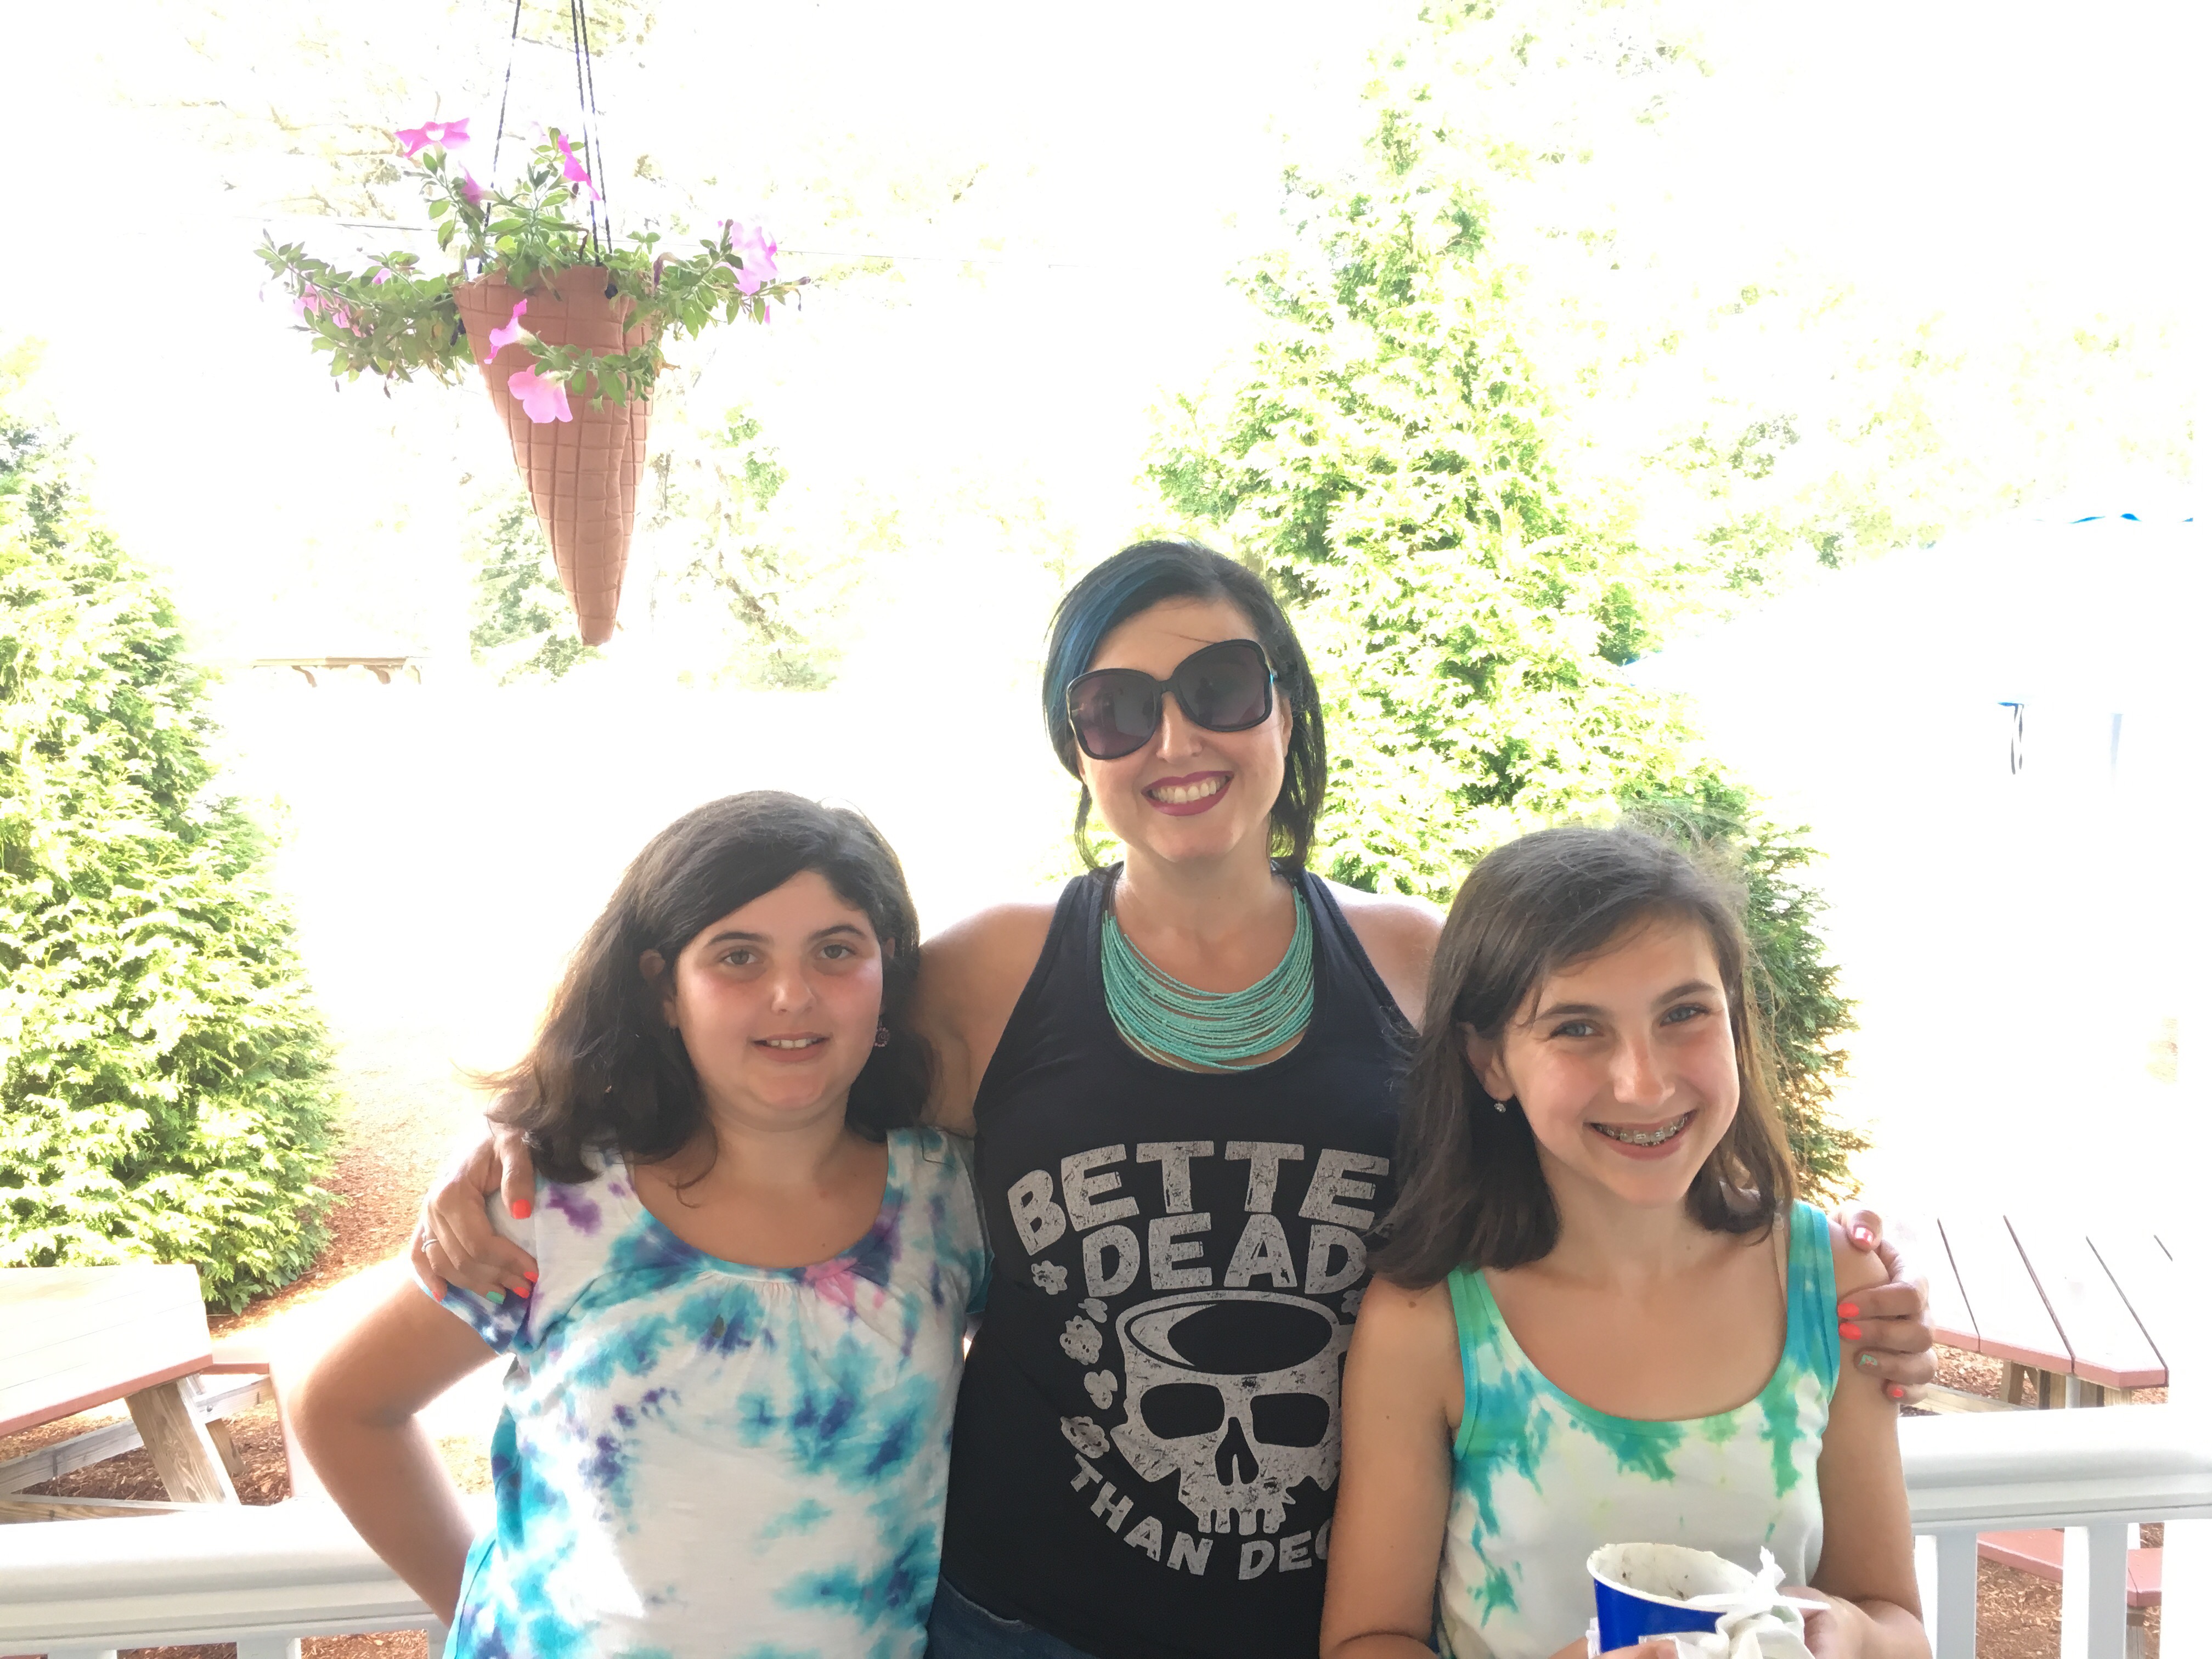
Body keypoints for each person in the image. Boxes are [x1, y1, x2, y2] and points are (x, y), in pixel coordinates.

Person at [416, 541, 1934, 1659]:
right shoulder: (991, 972)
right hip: (1024, 1621)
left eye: (1219, 688)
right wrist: (535, 1133)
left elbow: (1616, 1137)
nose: (1176, 740)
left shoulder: (1416, 965)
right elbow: (766, 1057)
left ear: (1286, 711)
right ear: (1077, 749)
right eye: (1117, 709)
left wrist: (1830, 1270)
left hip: (1339, 1620)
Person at [291, 793, 989, 1659]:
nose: (792, 995)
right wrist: (496, 1618)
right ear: (664, 990)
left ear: (888, 973)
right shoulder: (554, 1202)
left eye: (836, 950)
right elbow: (345, 1407)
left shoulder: (953, 1203)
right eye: (738, 956)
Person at [1319, 826, 1927, 1659]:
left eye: (1684, 1013)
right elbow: (1366, 1639)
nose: (1643, 1083)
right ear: (1491, 1062)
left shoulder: (1836, 1284)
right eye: (1577, 1028)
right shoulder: (1429, 1320)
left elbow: (1897, 1620)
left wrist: (1852, 1635)